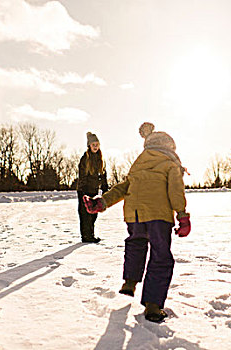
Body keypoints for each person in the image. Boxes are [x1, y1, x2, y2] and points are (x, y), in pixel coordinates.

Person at [83, 122, 191, 322]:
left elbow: (124, 187)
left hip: (134, 214)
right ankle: (152, 305)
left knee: (136, 243)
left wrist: (103, 201)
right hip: (158, 214)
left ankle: (130, 283)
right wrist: (182, 214)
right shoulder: (170, 163)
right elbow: (175, 190)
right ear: (170, 147)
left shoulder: (139, 163)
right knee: (160, 256)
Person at [77, 132, 108, 243]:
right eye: (93, 144)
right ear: (89, 146)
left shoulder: (100, 158)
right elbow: (82, 175)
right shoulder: (85, 158)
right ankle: (86, 236)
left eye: (97, 144)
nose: (95, 146)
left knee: (93, 214)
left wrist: (105, 187)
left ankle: (91, 234)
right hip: (84, 190)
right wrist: (83, 191)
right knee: (85, 214)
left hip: (94, 190)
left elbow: (103, 174)